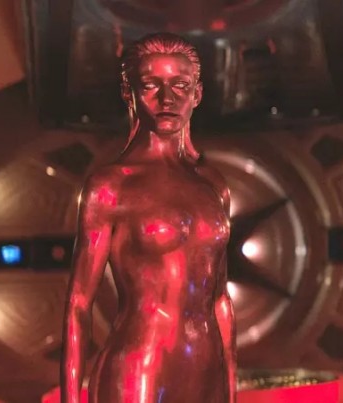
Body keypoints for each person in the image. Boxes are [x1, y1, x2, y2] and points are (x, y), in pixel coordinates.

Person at [60, 32, 236, 403]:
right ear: (130, 94)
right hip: (137, 367)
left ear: (197, 94)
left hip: (207, 369)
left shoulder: (213, 184)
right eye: (151, 85)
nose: (167, 98)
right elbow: (79, 303)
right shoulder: (110, 186)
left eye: (180, 85)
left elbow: (220, 299)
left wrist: (230, 389)